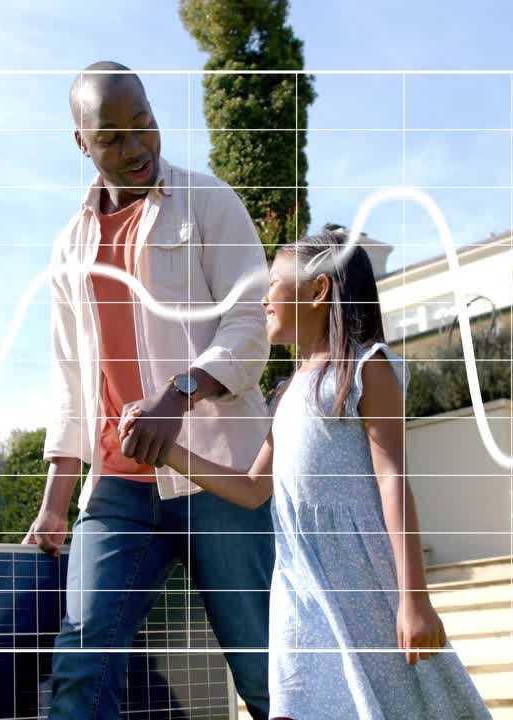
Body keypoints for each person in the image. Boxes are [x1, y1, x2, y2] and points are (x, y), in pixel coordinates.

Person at [121, 230, 492, 719]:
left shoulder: (367, 368)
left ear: (318, 291)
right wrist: (167, 451)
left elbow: (393, 481)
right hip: (298, 588)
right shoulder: (287, 392)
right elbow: (252, 489)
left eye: (273, 284)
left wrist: (415, 599)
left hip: (360, 583)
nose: (263, 299)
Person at [22, 61, 275, 719]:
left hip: (219, 478)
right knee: (81, 669)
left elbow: (251, 324)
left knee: (267, 675)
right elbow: (72, 379)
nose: (136, 147)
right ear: (82, 142)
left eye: (145, 125)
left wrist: (178, 394)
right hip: (116, 492)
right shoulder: (68, 247)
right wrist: (55, 504)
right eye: (111, 138)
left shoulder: (209, 202)